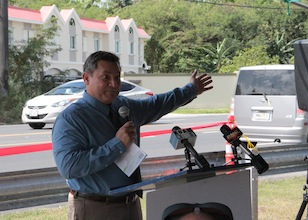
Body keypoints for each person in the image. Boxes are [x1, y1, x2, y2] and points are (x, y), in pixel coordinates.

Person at [52, 51, 213, 220]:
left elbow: (157, 104)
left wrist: (191, 89)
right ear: (86, 78)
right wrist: (117, 145)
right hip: (94, 207)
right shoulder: (72, 118)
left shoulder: (123, 106)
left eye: (117, 77)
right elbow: (69, 167)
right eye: (105, 77)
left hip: (130, 204)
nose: (114, 84)